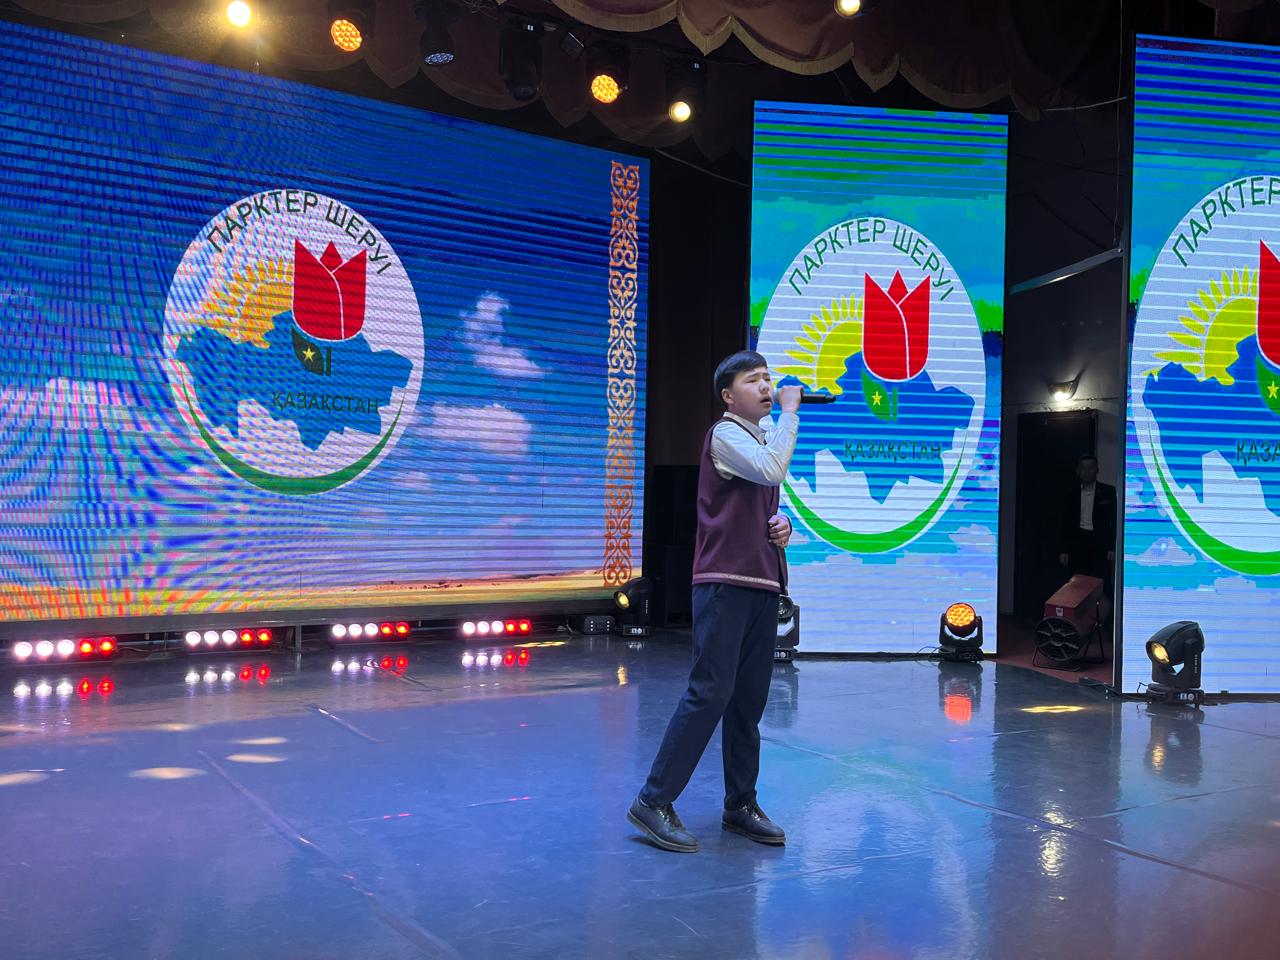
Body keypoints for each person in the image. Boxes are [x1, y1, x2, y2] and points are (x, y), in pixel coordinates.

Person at [628, 350, 800, 853]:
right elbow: (771, 470)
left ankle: (740, 804)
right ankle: (653, 800)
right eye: (754, 381)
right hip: (724, 583)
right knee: (710, 692)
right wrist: (790, 412)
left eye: (768, 379)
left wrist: (782, 523)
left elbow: (762, 490)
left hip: (761, 583)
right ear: (728, 396)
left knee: (749, 702)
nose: (766, 387)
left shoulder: (761, 440)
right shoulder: (725, 435)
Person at [1058, 453, 1117, 585]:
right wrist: (1063, 550)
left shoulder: (1108, 491)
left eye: (1090, 467)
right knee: (1077, 582)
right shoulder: (1071, 492)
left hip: (1099, 542)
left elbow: (1113, 521)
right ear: (1078, 471)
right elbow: (1064, 523)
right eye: (1083, 468)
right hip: (1078, 541)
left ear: (1097, 470)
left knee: (1100, 581)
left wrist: (1112, 547)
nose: (1087, 471)